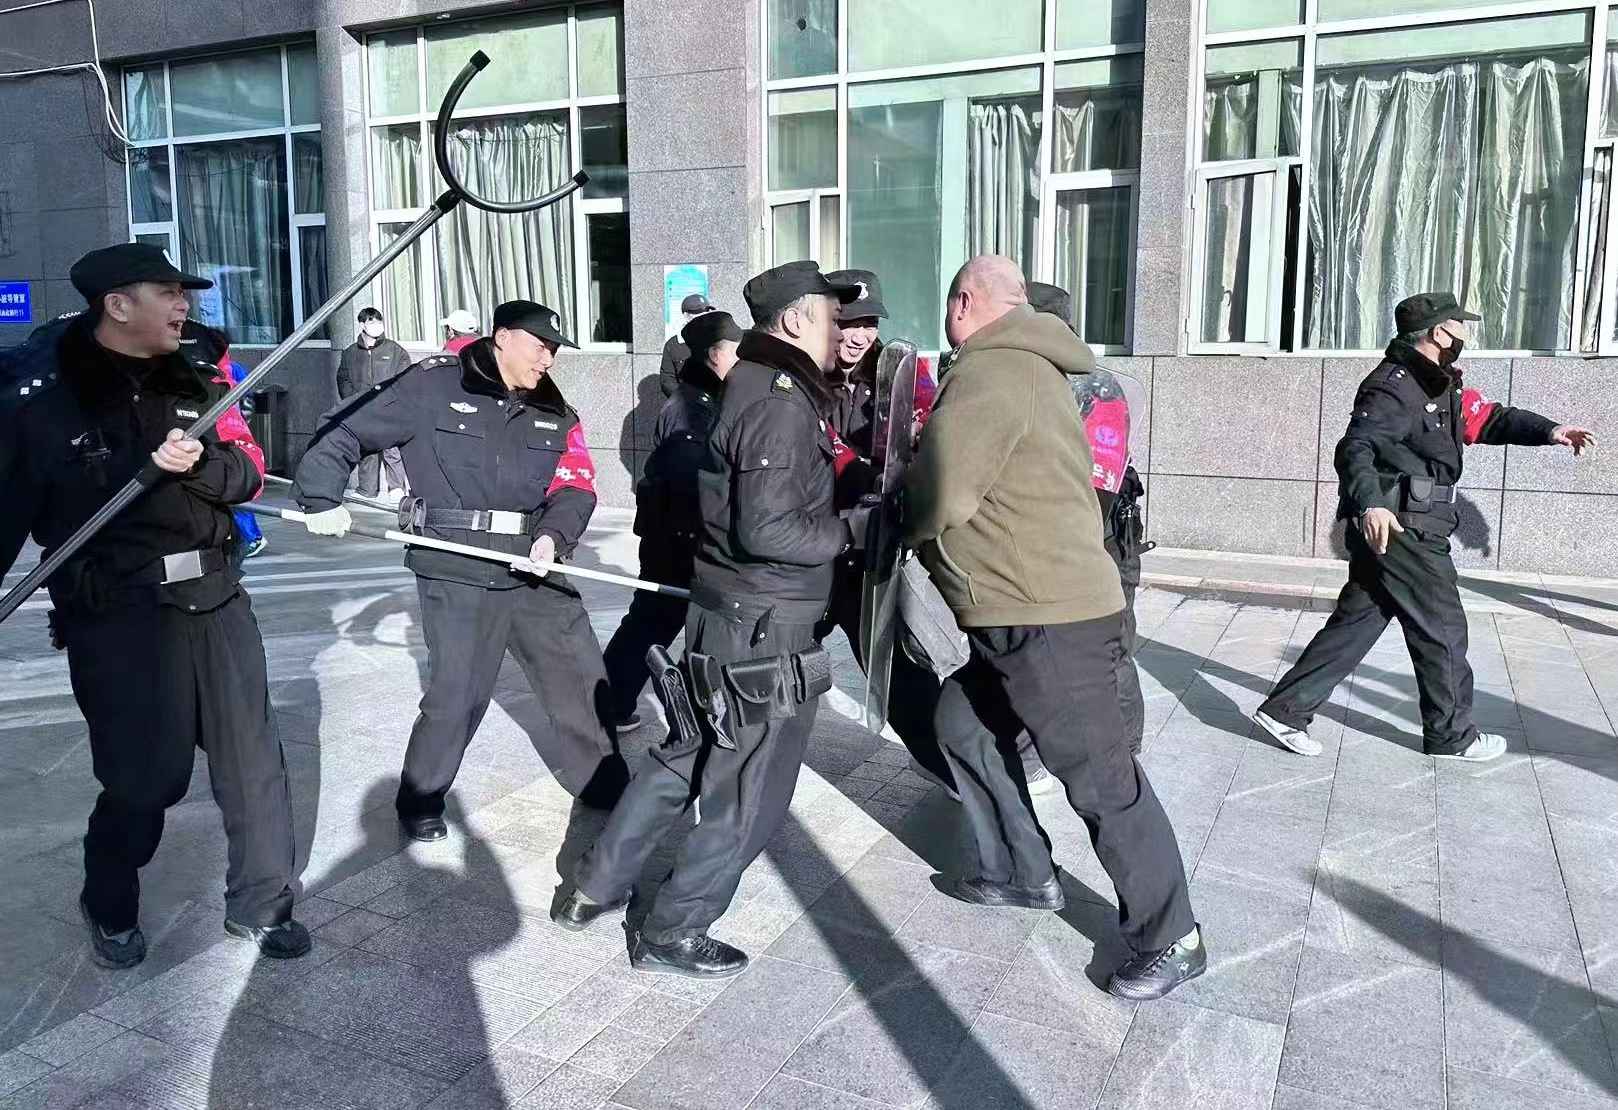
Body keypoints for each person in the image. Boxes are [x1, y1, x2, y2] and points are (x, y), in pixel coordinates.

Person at [0, 243, 307, 968]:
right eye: (167, 292)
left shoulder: (201, 372)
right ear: (117, 304)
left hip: (215, 595)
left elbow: (248, 474)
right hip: (118, 615)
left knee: (253, 762)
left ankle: (262, 904)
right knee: (146, 780)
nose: (184, 305)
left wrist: (199, 463)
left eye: (184, 293)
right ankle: (108, 898)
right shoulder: (40, 400)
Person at [907, 255, 1203, 1001]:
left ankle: (1171, 935)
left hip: (1048, 618)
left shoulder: (993, 370)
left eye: (951, 305)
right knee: (962, 725)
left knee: (1104, 781)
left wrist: (894, 522)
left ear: (964, 303)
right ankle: (1023, 872)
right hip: (1020, 610)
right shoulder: (1033, 366)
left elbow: (944, 494)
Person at [554, 262, 860, 980]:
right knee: (750, 791)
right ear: (795, 320)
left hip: (729, 616)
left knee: (685, 754)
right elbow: (769, 529)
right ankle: (674, 927)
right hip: (766, 627)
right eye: (829, 316)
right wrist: (855, 528)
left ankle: (594, 886)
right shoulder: (780, 401)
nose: (839, 330)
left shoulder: (756, 385)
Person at [293, 299, 630, 842]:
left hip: (531, 560)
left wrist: (553, 536)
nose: (548, 359)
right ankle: (421, 796)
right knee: (458, 695)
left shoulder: (555, 407)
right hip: (456, 560)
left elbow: (575, 483)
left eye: (554, 349)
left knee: (579, 675)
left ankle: (605, 784)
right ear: (502, 336)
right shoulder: (432, 385)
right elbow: (347, 429)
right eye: (539, 346)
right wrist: (320, 496)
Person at [1254, 293, 1596, 762]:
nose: (1466, 335)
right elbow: (1355, 448)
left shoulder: (1438, 382)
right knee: (1443, 628)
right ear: (1439, 333)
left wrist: (1549, 431)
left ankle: (1285, 710)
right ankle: (1452, 736)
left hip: (1411, 522)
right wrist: (1371, 505)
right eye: (1460, 326)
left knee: (1358, 622)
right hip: (1402, 526)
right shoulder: (1394, 386)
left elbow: (1488, 419)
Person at [814, 268, 956, 792]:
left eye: (869, 323)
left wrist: (919, 435)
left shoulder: (901, 372)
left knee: (898, 677)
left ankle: (956, 773)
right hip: (814, 545)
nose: (859, 336)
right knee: (773, 667)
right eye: (849, 323)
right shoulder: (804, 376)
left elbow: (930, 425)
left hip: (870, 550)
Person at [600, 310, 743, 731]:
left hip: (681, 532)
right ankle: (606, 705)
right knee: (652, 620)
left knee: (654, 620)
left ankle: (610, 702)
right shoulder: (689, 407)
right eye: (736, 352)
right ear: (715, 354)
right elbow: (687, 479)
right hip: (676, 537)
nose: (742, 361)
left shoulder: (706, 398)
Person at [1027, 281, 1148, 756]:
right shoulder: (1026, 377)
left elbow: (1098, 488)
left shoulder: (1092, 385)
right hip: (1049, 538)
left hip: (1099, 539)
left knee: (1109, 648)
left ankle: (1124, 753)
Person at [337, 307, 411, 499]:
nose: (377, 325)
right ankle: (367, 489)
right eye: (371, 321)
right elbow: (343, 379)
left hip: (388, 407)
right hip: (362, 409)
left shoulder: (394, 350)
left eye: (379, 321)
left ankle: (396, 488)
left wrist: (394, 400)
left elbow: (405, 376)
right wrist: (353, 401)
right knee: (367, 449)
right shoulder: (350, 353)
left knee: (391, 448)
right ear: (362, 324)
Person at [658, 293, 714, 397]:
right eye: (698, 312)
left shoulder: (719, 338)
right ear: (686, 316)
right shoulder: (673, 345)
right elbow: (667, 380)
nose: (704, 316)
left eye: (706, 312)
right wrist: (684, 398)